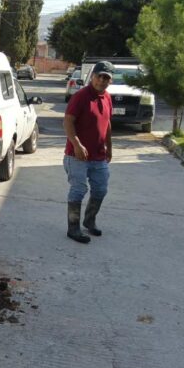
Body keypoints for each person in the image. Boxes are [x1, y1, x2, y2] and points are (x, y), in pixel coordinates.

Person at [62, 61, 114, 244]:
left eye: (106, 77)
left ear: (110, 81)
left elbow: (107, 123)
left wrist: (109, 146)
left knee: (100, 188)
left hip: (98, 155)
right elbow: (68, 121)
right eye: (99, 76)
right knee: (78, 189)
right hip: (76, 155)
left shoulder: (107, 97)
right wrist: (76, 144)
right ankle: (73, 228)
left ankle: (89, 220)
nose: (102, 80)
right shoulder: (81, 96)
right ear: (92, 76)